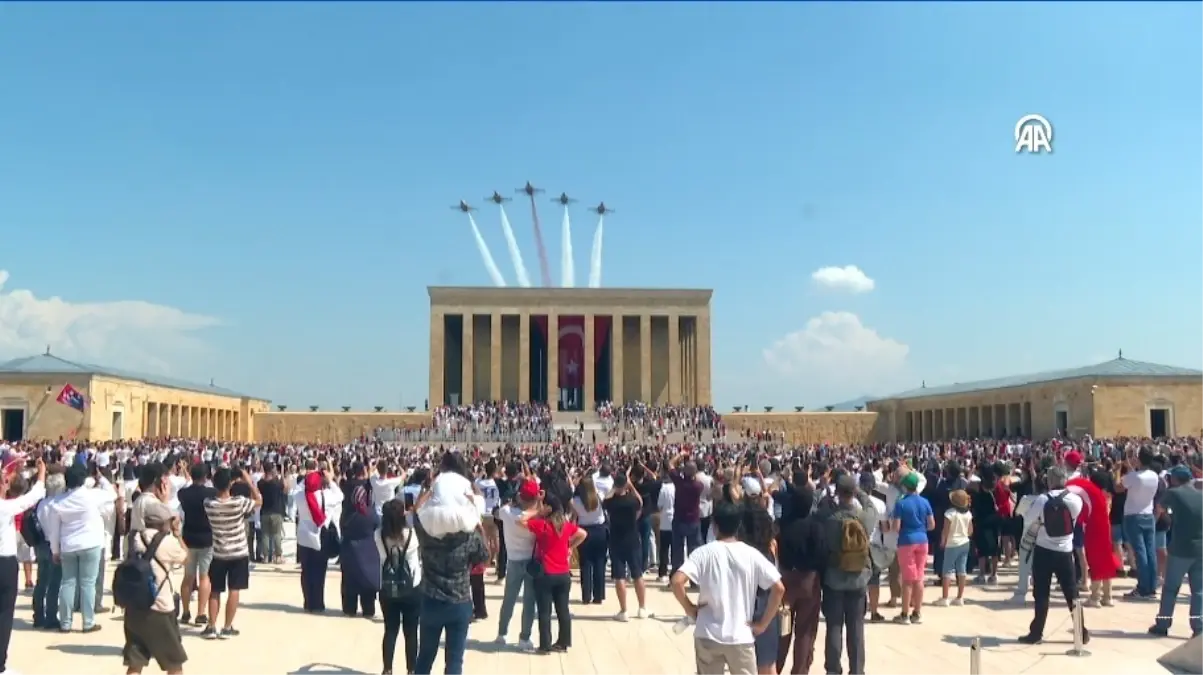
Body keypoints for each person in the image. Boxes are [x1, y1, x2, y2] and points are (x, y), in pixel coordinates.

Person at [671, 500, 784, 675]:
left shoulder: (703, 553)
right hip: (740, 636)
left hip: (707, 634)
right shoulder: (751, 554)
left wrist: (690, 608)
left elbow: (677, 581)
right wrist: (763, 624)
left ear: (714, 525)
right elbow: (779, 588)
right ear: (738, 525)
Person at [410, 452, 489, 675]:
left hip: (431, 600)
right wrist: (477, 518)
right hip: (459, 601)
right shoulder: (468, 538)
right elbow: (485, 557)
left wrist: (428, 489)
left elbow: (416, 513)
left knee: (424, 657)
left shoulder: (426, 533)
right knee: (454, 662)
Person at [45, 462, 121, 633]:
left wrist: (55, 551)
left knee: (67, 583)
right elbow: (112, 494)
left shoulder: (58, 501)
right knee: (88, 584)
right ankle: (88, 622)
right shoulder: (92, 495)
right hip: (91, 543)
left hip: (68, 545)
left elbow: (54, 531)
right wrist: (101, 477)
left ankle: (65, 622)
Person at [1018, 466, 1090, 645]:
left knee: (1041, 593)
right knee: (1072, 593)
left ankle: (1036, 632)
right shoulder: (1075, 500)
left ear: (1049, 480)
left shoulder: (1042, 499)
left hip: (1043, 550)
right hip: (1065, 551)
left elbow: (1030, 518)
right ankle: (1081, 631)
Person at [122, 501, 188, 675]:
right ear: (164, 522)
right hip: (160, 607)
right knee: (174, 663)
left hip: (135, 606)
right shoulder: (168, 542)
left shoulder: (133, 538)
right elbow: (185, 558)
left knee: (136, 662)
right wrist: (177, 533)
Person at [819, 474, 876, 675]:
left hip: (834, 577)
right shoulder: (865, 518)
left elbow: (819, 511)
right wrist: (858, 491)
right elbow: (871, 505)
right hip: (859, 577)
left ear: (838, 492)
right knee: (856, 628)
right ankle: (857, 670)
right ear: (853, 492)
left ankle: (833, 669)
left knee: (834, 626)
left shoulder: (830, 519)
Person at [520, 495, 585, 654]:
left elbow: (521, 521)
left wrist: (539, 513)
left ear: (548, 508)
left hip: (546, 573)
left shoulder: (543, 525)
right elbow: (583, 533)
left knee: (544, 611)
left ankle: (545, 645)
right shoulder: (566, 526)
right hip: (563, 573)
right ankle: (563, 642)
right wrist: (570, 546)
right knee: (563, 610)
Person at [201, 467, 261, 639]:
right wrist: (248, 481)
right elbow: (259, 500)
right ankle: (227, 627)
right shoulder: (239, 502)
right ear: (231, 484)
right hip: (238, 552)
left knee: (215, 590)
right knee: (234, 589)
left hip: (219, 552)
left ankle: (211, 626)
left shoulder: (208, 504)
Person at [1, 456, 45, 675]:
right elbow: (33, 497)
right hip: (4, 564)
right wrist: (42, 474)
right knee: (4, 614)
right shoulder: (5, 507)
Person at [776, 478, 825, 675]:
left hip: (786, 580)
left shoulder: (782, 525)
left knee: (782, 630)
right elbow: (822, 553)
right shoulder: (815, 525)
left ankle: (775, 667)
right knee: (805, 631)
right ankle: (800, 670)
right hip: (808, 581)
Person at [1149, 464, 1203, 638]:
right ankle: (1198, 627)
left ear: (1174, 479)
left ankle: (1163, 624)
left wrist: (1170, 519)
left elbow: (1159, 509)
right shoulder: (1200, 495)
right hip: (1200, 548)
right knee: (1198, 591)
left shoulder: (1173, 492)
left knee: (1171, 588)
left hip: (1181, 548)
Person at [377, 499, 421, 675]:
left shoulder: (378, 535)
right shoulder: (411, 534)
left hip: (387, 586)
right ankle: (411, 670)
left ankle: (387, 669)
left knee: (390, 630)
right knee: (411, 632)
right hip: (411, 587)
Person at [494, 479, 539, 649]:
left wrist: (513, 502)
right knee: (529, 601)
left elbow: (497, 512)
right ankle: (524, 637)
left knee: (509, 599)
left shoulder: (506, 512)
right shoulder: (537, 516)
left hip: (513, 560)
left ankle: (502, 633)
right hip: (530, 561)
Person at [602, 471, 648, 620]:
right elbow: (640, 502)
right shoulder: (632, 501)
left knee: (619, 576)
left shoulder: (611, 502)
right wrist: (631, 486)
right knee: (637, 574)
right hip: (632, 539)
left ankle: (624, 610)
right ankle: (642, 608)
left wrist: (614, 488)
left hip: (616, 540)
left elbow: (605, 499)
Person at [295, 469, 342, 613]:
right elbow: (340, 495)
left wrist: (307, 477)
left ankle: (308, 601)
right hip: (321, 534)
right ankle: (318, 603)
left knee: (306, 571)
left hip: (304, 536)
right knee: (319, 571)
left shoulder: (300, 496)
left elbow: (298, 488)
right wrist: (330, 480)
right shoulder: (326, 496)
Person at [1118, 447, 1161, 600]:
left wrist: (1119, 470)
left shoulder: (1134, 477)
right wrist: (1132, 468)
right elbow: (1135, 478)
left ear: (1139, 458)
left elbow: (1119, 487)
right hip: (1148, 515)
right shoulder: (1154, 476)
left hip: (1133, 516)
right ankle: (1151, 586)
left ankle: (1143, 587)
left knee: (1140, 553)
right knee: (1150, 552)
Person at [890, 471, 933, 624]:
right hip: (923, 540)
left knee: (907, 579)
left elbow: (896, 527)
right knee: (919, 577)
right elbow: (932, 524)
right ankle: (917, 612)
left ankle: (904, 614)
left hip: (907, 541)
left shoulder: (901, 503)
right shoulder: (925, 502)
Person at [339, 462, 381, 618]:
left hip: (349, 547)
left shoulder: (347, 510)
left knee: (349, 579)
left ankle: (349, 607)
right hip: (368, 548)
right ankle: (368, 608)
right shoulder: (369, 514)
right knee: (367, 578)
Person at [176, 463, 216, 626]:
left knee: (188, 577)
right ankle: (201, 613)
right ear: (206, 476)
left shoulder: (183, 493)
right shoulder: (210, 493)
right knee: (204, 576)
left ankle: (185, 612)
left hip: (188, 538)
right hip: (206, 537)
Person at [31, 470, 65, 630]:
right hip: (53, 544)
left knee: (41, 582)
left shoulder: (42, 503)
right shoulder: (58, 504)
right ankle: (51, 616)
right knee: (54, 583)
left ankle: (38, 615)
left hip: (41, 544)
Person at [571, 474, 607, 605]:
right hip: (600, 529)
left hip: (584, 531)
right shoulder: (599, 496)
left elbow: (574, 516)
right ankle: (598, 595)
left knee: (585, 564)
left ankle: (586, 595)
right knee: (599, 563)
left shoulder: (576, 501)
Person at [937, 489, 973, 606]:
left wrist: (943, 541)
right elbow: (970, 531)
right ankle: (959, 597)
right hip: (965, 542)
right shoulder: (968, 513)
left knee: (947, 570)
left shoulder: (950, 513)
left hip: (952, 543)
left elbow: (945, 530)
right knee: (962, 569)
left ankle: (945, 597)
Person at [257, 463, 287, 565]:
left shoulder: (260, 483)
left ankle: (265, 557)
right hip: (276, 511)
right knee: (277, 534)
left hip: (265, 511)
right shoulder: (276, 483)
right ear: (272, 470)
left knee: (265, 535)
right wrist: (282, 473)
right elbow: (286, 488)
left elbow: (260, 482)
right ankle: (278, 556)